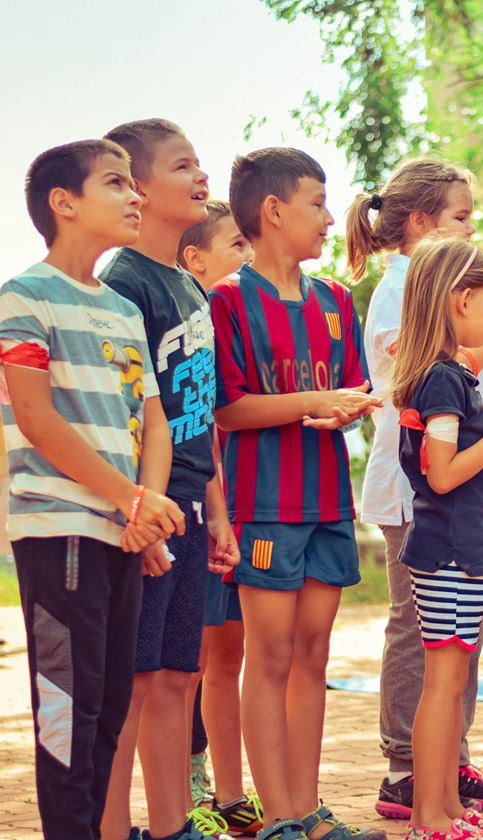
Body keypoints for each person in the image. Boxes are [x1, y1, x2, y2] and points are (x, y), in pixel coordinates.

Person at [2, 138, 185, 839]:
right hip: (61, 534)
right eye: (116, 183)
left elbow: (153, 420)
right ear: (64, 203)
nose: (135, 195)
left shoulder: (123, 310)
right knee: (65, 716)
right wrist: (131, 499)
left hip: (120, 530)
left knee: (108, 713)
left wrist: (145, 511)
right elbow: (38, 418)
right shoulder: (23, 296)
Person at [210, 147, 384, 840]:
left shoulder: (337, 301)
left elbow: (355, 389)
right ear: (273, 211)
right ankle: (276, 813)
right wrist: (317, 398)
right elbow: (227, 410)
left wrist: (345, 408)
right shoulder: (226, 299)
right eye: (315, 201)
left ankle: (308, 811)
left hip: (327, 505)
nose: (326, 215)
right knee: (270, 655)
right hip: (261, 506)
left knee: (314, 655)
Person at [346, 158, 483, 819]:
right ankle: (406, 767)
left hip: (466, 477)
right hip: (421, 488)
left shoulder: (449, 283)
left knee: (459, 635)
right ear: (420, 223)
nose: (473, 227)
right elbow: (427, 373)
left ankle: (448, 761)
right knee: (421, 628)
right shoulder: (407, 287)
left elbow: (475, 373)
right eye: (461, 216)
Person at [95, 118, 241, 840]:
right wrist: (138, 510)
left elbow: (201, 406)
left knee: (178, 677)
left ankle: (172, 825)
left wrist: (214, 509)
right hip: (143, 505)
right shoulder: (124, 283)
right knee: (132, 681)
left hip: (188, 497)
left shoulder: (188, 286)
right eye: (185, 166)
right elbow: (126, 415)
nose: (202, 178)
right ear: (140, 189)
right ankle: (114, 829)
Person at [391, 237, 483, 840]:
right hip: (447, 550)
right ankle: (429, 816)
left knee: (452, 683)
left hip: (461, 549)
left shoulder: (450, 374)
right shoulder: (443, 381)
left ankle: (448, 807)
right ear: (460, 300)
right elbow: (442, 472)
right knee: (442, 684)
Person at [177, 199, 263, 833]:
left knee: (229, 654)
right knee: (190, 662)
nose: (249, 255)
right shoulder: (191, 324)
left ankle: (230, 796)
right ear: (196, 258)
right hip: (206, 508)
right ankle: (186, 790)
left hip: (242, 508)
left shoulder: (243, 319)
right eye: (237, 245)